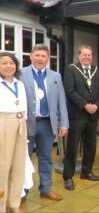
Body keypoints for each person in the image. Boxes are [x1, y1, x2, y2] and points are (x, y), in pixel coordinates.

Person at [20, 44, 69, 201]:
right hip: (26, 123)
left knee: (46, 157)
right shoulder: (20, 74)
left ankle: (46, 189)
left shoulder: (55, 76)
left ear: (48, 58)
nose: (40, 59)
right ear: (31, 56)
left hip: (47, 124)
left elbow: (62, 100)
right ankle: (22, 192)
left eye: (43, 56)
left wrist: (64, 124)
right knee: (23, 159)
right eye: (37, 55)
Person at [63, 45, 99, 190]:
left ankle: (86, 171)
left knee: (91, 145)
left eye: (89, 55)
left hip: (93, 115)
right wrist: (84, 105)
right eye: (84, 55)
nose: (87, 57)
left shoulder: (98, 71)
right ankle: (68, 176)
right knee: (72, 146)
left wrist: (96, 105)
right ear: (79, 55)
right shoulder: (71, 69)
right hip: (77, 115)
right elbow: (69, 91)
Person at [0, 52, 27, 213]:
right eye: (4, 63)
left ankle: (14, 204)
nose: (9, 66)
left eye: (11, 63)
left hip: (21, 123)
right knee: (2, 166)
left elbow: (25, 108)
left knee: (18, 166)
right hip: (3, 123)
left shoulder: (19, 84)